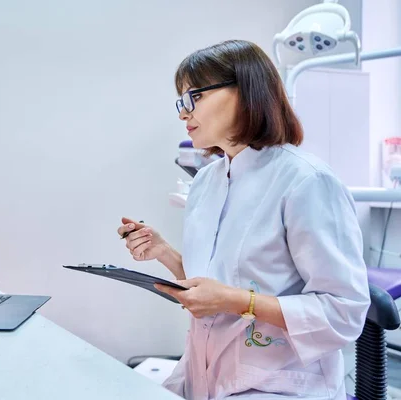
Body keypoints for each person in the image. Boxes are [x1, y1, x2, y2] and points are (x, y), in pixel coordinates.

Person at [117, 40, 370, 400]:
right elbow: (217, 281)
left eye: (194, 97)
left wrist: (238, 302)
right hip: (207, 372)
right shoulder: (208, 179)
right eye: (180, 101)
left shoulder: (306, 181)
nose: (183, 113)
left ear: (245, 91)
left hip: (279, 381)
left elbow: (344, 311)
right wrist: (164, 252)